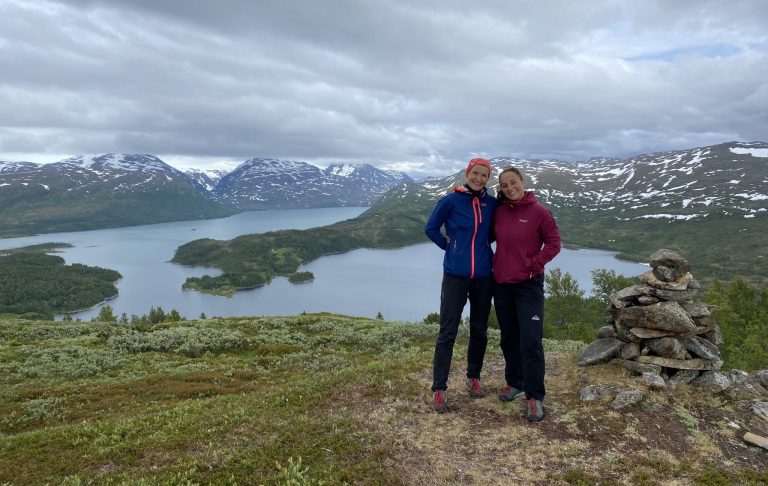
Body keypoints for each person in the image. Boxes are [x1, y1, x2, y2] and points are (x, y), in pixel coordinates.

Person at [424, 157, 496, 413]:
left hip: (484, 276)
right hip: (455, 274)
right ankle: (439, 389)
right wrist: (450, 246)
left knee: (479, 329)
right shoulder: (451, 200)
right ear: (468, 173)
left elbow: (496, 232)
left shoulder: (491, 203)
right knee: (448, 331)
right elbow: (431, 228)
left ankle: (473, 377)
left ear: (488, 179)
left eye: (484, 175)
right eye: (475, 173)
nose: (478, 178)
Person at [492, 166, 561, 422]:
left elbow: (554, 243)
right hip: (501, 284)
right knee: (509, 338)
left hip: (528, 285)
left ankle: (534, 396)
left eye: (513, 183)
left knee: (530, 341)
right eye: (505, 185)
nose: (510, 188)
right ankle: (516, 382)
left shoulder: (539, 212)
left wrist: (534, 263)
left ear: (523, 182)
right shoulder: (499, 212)